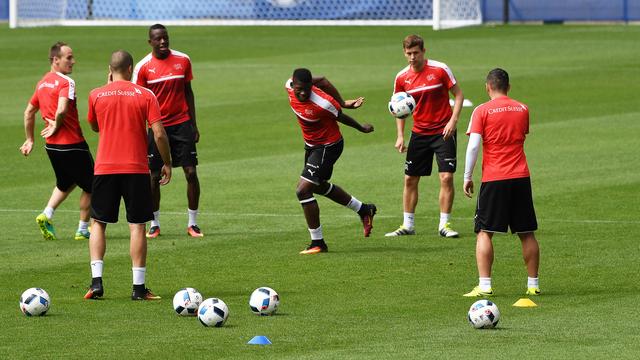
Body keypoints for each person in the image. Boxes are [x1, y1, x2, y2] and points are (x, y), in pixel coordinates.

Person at [84, 50, 172, 301]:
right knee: (137, 225)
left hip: (104, 168)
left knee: (98, 223)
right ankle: (138, 288)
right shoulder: (145, 95)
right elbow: (159, 134)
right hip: (135, 169)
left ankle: (96, 284)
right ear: (132, 68)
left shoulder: (96, 94)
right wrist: (167, 162)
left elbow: (94, 125)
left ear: (109, 69)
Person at [462, 68, 540, 297]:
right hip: (521, 176)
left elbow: (474, 145)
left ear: (488, 86)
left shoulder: (481, 110)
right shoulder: (522, 108)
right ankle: (533, 285)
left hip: (495, 178)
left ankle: (485, 285)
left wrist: (467, 176)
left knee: (484, 232)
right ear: (509, 86)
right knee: (527, 232)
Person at [286, 68, 377, 255]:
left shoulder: (324, 103)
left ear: (312, 86)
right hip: (311, 145)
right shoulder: (288, 86)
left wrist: (361, 127)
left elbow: (341, 117)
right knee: (317, 186)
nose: (303, 93)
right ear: (293, 84)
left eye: (307, 89)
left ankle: (318, 243)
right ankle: (364, 209)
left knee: (303, 190)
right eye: (299, 89)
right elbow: (324, 79)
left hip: (329, 145)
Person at [385, 34, 464, 238]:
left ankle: (444, 225)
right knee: (410, 179)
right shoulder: (402, 77)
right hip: (419, 133)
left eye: (416, 53)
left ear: (423, 51)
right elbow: (398, 108)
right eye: (408, 53)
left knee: (446, 177)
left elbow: (458, 94)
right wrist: (400, 135)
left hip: (443, 132)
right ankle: (408, 225)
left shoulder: (440, 69)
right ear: (404, 53)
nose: (412, 57)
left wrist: (452, 122)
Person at [132, 23, 202, 238]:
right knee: (153, 177)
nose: (163, 42)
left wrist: (194, 123)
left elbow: (188, 92)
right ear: (150, 41)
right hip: (156, 126)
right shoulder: (143, 67)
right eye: (158, 38)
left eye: (165, 37)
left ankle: (193, 223)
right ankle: (154, 223)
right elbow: (138, 100)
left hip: (182, 124)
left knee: (191, 172)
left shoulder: (183, 60)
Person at [20, 41, 94, 241]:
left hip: (51, 146)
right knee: (92, 186)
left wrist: (29, 139)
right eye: (68, 57)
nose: (73, 61)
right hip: (73, 145)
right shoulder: (66, 82)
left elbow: (28, 113)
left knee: (66, 182)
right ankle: (83, 229)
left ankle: (47, 214)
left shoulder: (42, 83)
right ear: (56, 60)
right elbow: (62, 109)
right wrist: (57, 125)